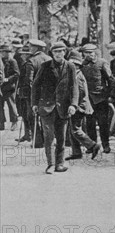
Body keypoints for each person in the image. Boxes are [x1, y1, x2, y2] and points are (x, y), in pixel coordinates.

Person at [31, 42, 78, 174]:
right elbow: (36, 85)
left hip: (63, 108)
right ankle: (51, 164)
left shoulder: (70, 66)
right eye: (56, 52)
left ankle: (60, 164)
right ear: (52, 53)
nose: (58, 54)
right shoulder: (45, 66)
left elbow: (74, 87)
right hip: (46, 107)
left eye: (61, 51)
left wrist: (73, 104)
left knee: (61, 137)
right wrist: (34, 103)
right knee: (49, 137)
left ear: (64, 52)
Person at [65, 51, 101, 161]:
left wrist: (75, 106)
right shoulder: (76, 74)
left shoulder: (77, 76)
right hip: (78, 105)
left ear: (76, 65)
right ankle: (76, 152)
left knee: (75, 129)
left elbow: (80, 93)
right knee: (72, 129)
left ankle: (92, 145)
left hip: (79, 106)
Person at [81, 43, 115, 154]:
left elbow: (111, 80)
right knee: (89, 123)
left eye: (91, 52)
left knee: (103, 123)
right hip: (88, 99)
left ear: (95, 52)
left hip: (101, 98)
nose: (89, 55)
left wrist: (111, 95)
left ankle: (106, 145)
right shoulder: (82, 65)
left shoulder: (102, 63)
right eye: (86, 53)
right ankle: (92, 145)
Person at [23, 40, 51, 142]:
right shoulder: (50, 58)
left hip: (35, 94)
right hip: (48, 94)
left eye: (31, 47)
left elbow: (29, 81)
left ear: (36, 48)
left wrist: (33, 95)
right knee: (46, 117)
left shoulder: (32, 61)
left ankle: (38, 140)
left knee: (32, 116)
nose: (30, 48)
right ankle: (47, 139)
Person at [15, 45, 33, 142]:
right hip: (22, 93)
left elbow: (27, 80)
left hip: (26, 93)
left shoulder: (28, 64)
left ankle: (30, 135)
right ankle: (27, 134)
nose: (21, 56)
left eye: (23, 54)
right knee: (24, 113)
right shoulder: (25, 63)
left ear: (27, 55)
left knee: (28, 114)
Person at [0, 44, 20, 131]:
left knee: (11, 105)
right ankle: (1, 123)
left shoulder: (12, 61)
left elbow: (17, 74)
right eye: (3, 52)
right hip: (1, 87)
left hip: (9, 87)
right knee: (0, 106)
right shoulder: (1, 61)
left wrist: (7, 79)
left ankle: (14, 122)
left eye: (6, 52)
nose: (4, 54)